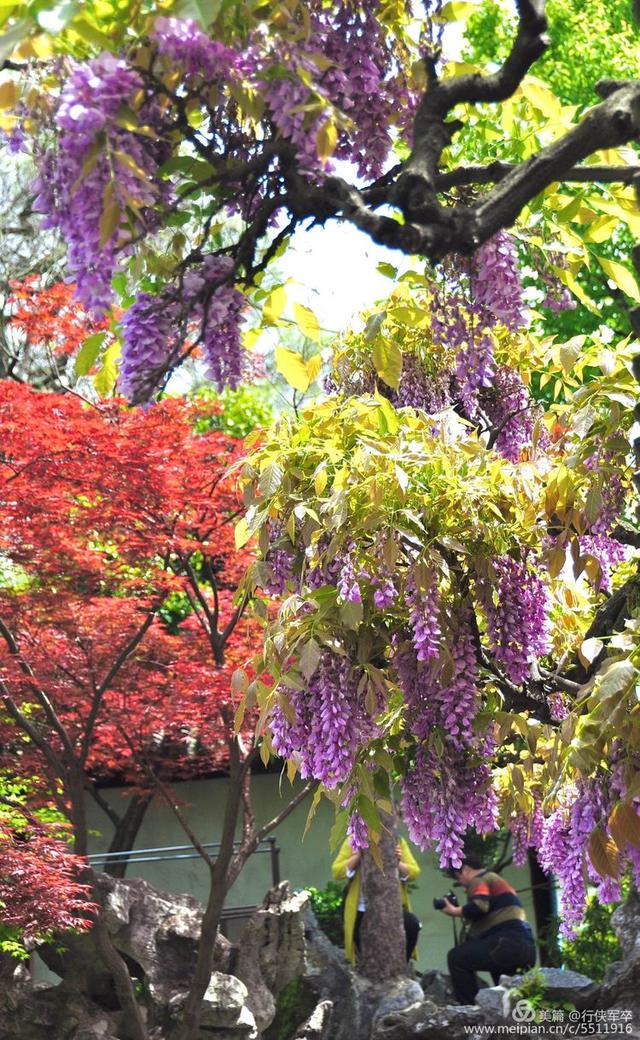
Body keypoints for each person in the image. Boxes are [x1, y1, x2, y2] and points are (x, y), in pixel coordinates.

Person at [438, 853, 536, 1004]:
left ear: (465, 869)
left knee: (456, 958)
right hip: (524, 946)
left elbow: (479, 906)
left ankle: (470, 1011)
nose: (461, 883)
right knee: (507, 998)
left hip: (506, 943)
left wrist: (454, 911)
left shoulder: (480, 879)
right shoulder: (494, 879)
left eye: (458, 877)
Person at [332, 837, 421, 967]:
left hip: (390, 908)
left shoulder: (397, 841)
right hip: (362, 910)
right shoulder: (354, 839)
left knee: (412, 925)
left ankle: (400, 968)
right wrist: (358, 856)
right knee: (370, 954)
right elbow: (336, 872)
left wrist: (397, 862)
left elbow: (414, 873)